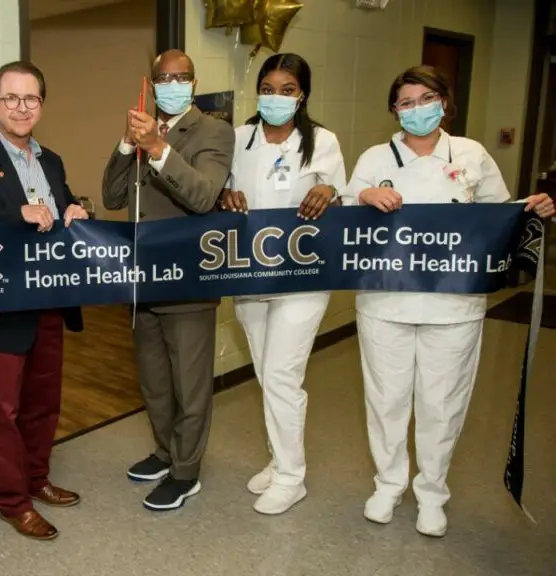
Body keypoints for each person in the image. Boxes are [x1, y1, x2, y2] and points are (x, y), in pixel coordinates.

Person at [344, 65, 555, 537]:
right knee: (386, 398)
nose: (417, 109)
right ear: (394, 110)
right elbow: (341, 208)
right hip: (385, 301)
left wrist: (532, 207)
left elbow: (499, 218)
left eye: (427, 98)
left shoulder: (472, 154)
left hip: (453, 305)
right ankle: (388, 483)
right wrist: (364, 193)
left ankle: (432, 492)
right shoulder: (377, 156)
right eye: (406, 102)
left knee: (442, 402)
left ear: (445, 101)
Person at [0, 61, 89, 540]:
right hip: (2, 306)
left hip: (50, 299)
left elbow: (60, 208)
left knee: (44, 403)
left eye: (31, 99)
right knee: (3, 411)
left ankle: (38, 479)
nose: (21, 107)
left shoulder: (53, 161)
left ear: (41, 105)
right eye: (11, 98)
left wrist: (74, 208)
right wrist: (15, 214)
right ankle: (12, 501)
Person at [101, 49, 234, 511]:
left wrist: (159, 149)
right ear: (151, 83)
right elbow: (112, 196)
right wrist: (126, 144)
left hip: (188, 279)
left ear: (194, 84)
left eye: (182, 77)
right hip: (143, 283)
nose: (172, 84)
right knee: (155, 382)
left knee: (189, 384)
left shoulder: (214, 130)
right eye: (164, 77)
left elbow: (202, 196)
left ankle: (186, 471)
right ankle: (164, 451)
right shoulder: (141, 131)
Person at [219, 53, 346, 516]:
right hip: (250, 273)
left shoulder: (323, 142)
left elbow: (342, 196)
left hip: (303, 277)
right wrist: (222, 194)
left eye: (287, 89)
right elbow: (220, 190)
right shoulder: (238, 138)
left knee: (281, 374)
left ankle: (293, 477)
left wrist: (329, 191)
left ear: (302, 95)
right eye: (269, 88)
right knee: (265, 372)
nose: (276, 97)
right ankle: (277, 460)